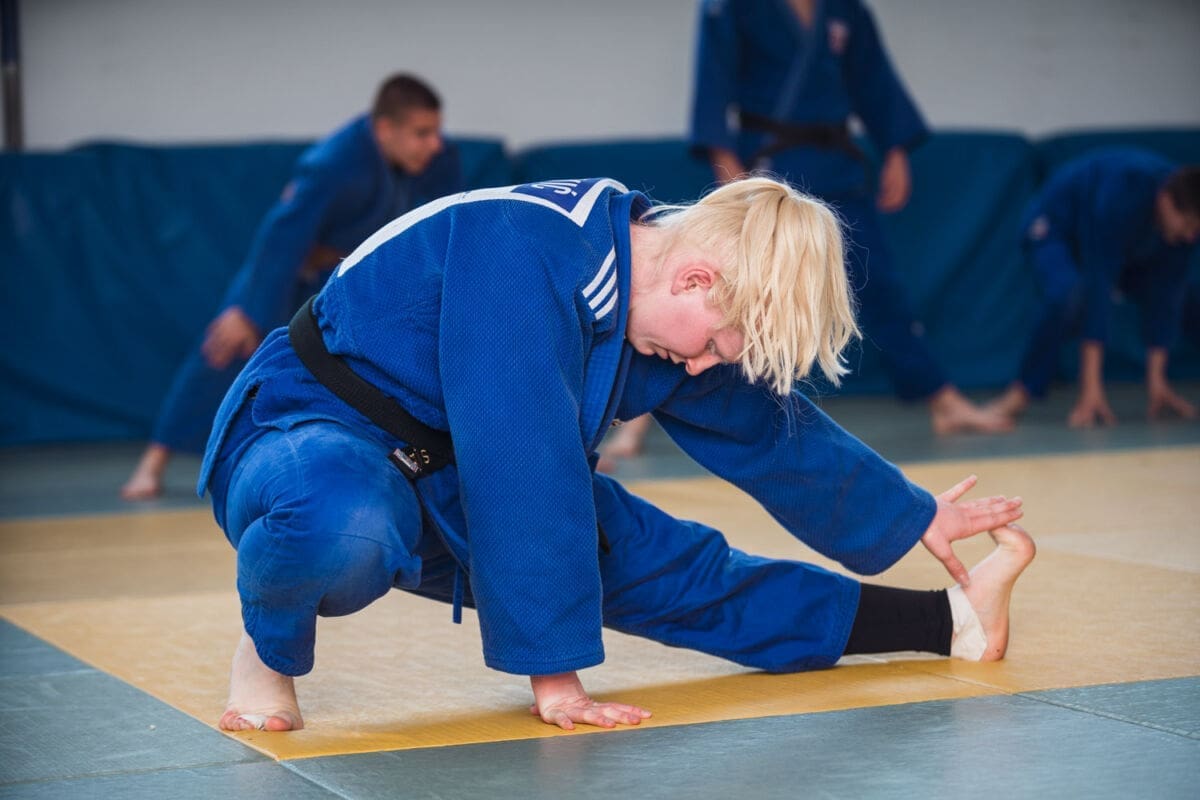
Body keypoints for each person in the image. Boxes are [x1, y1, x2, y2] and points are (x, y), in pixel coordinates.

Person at [197, 175, 1033, 733]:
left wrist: (911, 515)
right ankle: (268, 644)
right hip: (310, 436)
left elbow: (772, 432)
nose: (704, 367)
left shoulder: (660, 297)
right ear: (697, 278)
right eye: (716, 345)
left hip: (451, 474)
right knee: (343, 526)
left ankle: (948, 621)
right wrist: (556, 679)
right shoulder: (526, 249)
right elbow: (522, 467)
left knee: (687, 575)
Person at [597, 0, 1011, 469]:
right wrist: (730, 173)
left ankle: (943, 400)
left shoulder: (845, 8)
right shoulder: (731, 7)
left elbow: (873, 79)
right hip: (768, 163)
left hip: (836, 165)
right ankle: (635, 421)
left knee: (880, 287)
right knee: (722, 299)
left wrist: (895, 148)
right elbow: (713, 87)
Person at [120, 73, 463, 500]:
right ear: (384, 129)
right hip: (289, 270)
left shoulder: (436, 159)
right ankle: (153, 464)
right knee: (228, 346)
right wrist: (249, 309)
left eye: (436, 131)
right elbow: (282, 236)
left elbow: (439, 220)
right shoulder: (334, 164)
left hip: (346, 276)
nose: (434, 144)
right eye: (422, 134)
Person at [987, 149, 1200, 427]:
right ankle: (1021, 392)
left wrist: (1157, 380)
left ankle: (1159, 387)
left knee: (1185, 294)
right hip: (1056, 227)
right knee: (1067, 292)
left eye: (1196, 229)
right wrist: (1091, 389)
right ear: (1165, 201)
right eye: (1187, 224)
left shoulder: (1183, 217)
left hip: (1124, 245)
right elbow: (1099, 284)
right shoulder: (1124, 192)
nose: (1190, 235)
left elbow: (1168, 293)